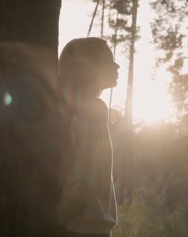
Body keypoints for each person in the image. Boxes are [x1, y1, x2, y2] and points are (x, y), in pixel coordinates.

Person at [56, 37, 120, 237]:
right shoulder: (92, 108)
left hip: (79, 225)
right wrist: (59, 218)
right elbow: (84, 173)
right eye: (109, 60)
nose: (116, 65)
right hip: (82, 228)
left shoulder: (76, 108)